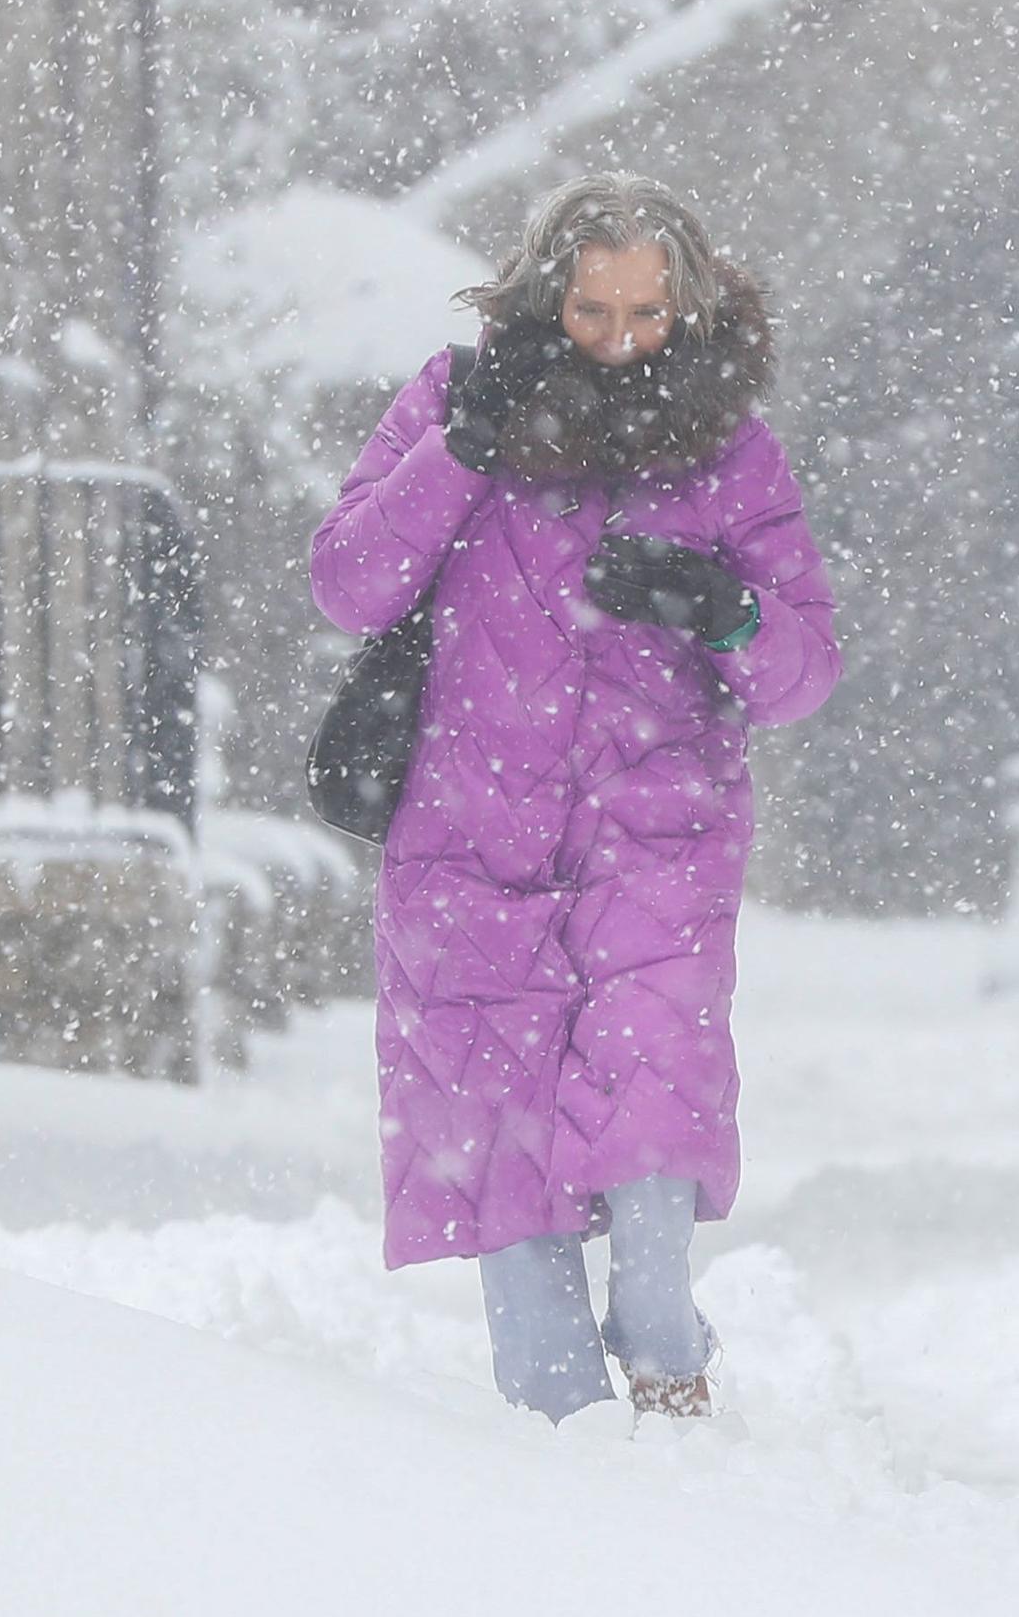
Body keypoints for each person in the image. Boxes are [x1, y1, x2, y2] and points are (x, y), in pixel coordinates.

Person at [311, 173, 842, 1424]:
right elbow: (349, 583)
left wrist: (725, 610)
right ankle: (559, 1431)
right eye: (593, 311)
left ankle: (664, 1350)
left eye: (647, 314)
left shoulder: (729, 449)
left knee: (652, 1095)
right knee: (496, 1131)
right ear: (547, 297)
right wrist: (461, 452)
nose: (618, 341)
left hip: (657, 835)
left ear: (689, 308)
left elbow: (802, 672)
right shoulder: (453, 401)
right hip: (467, 838)